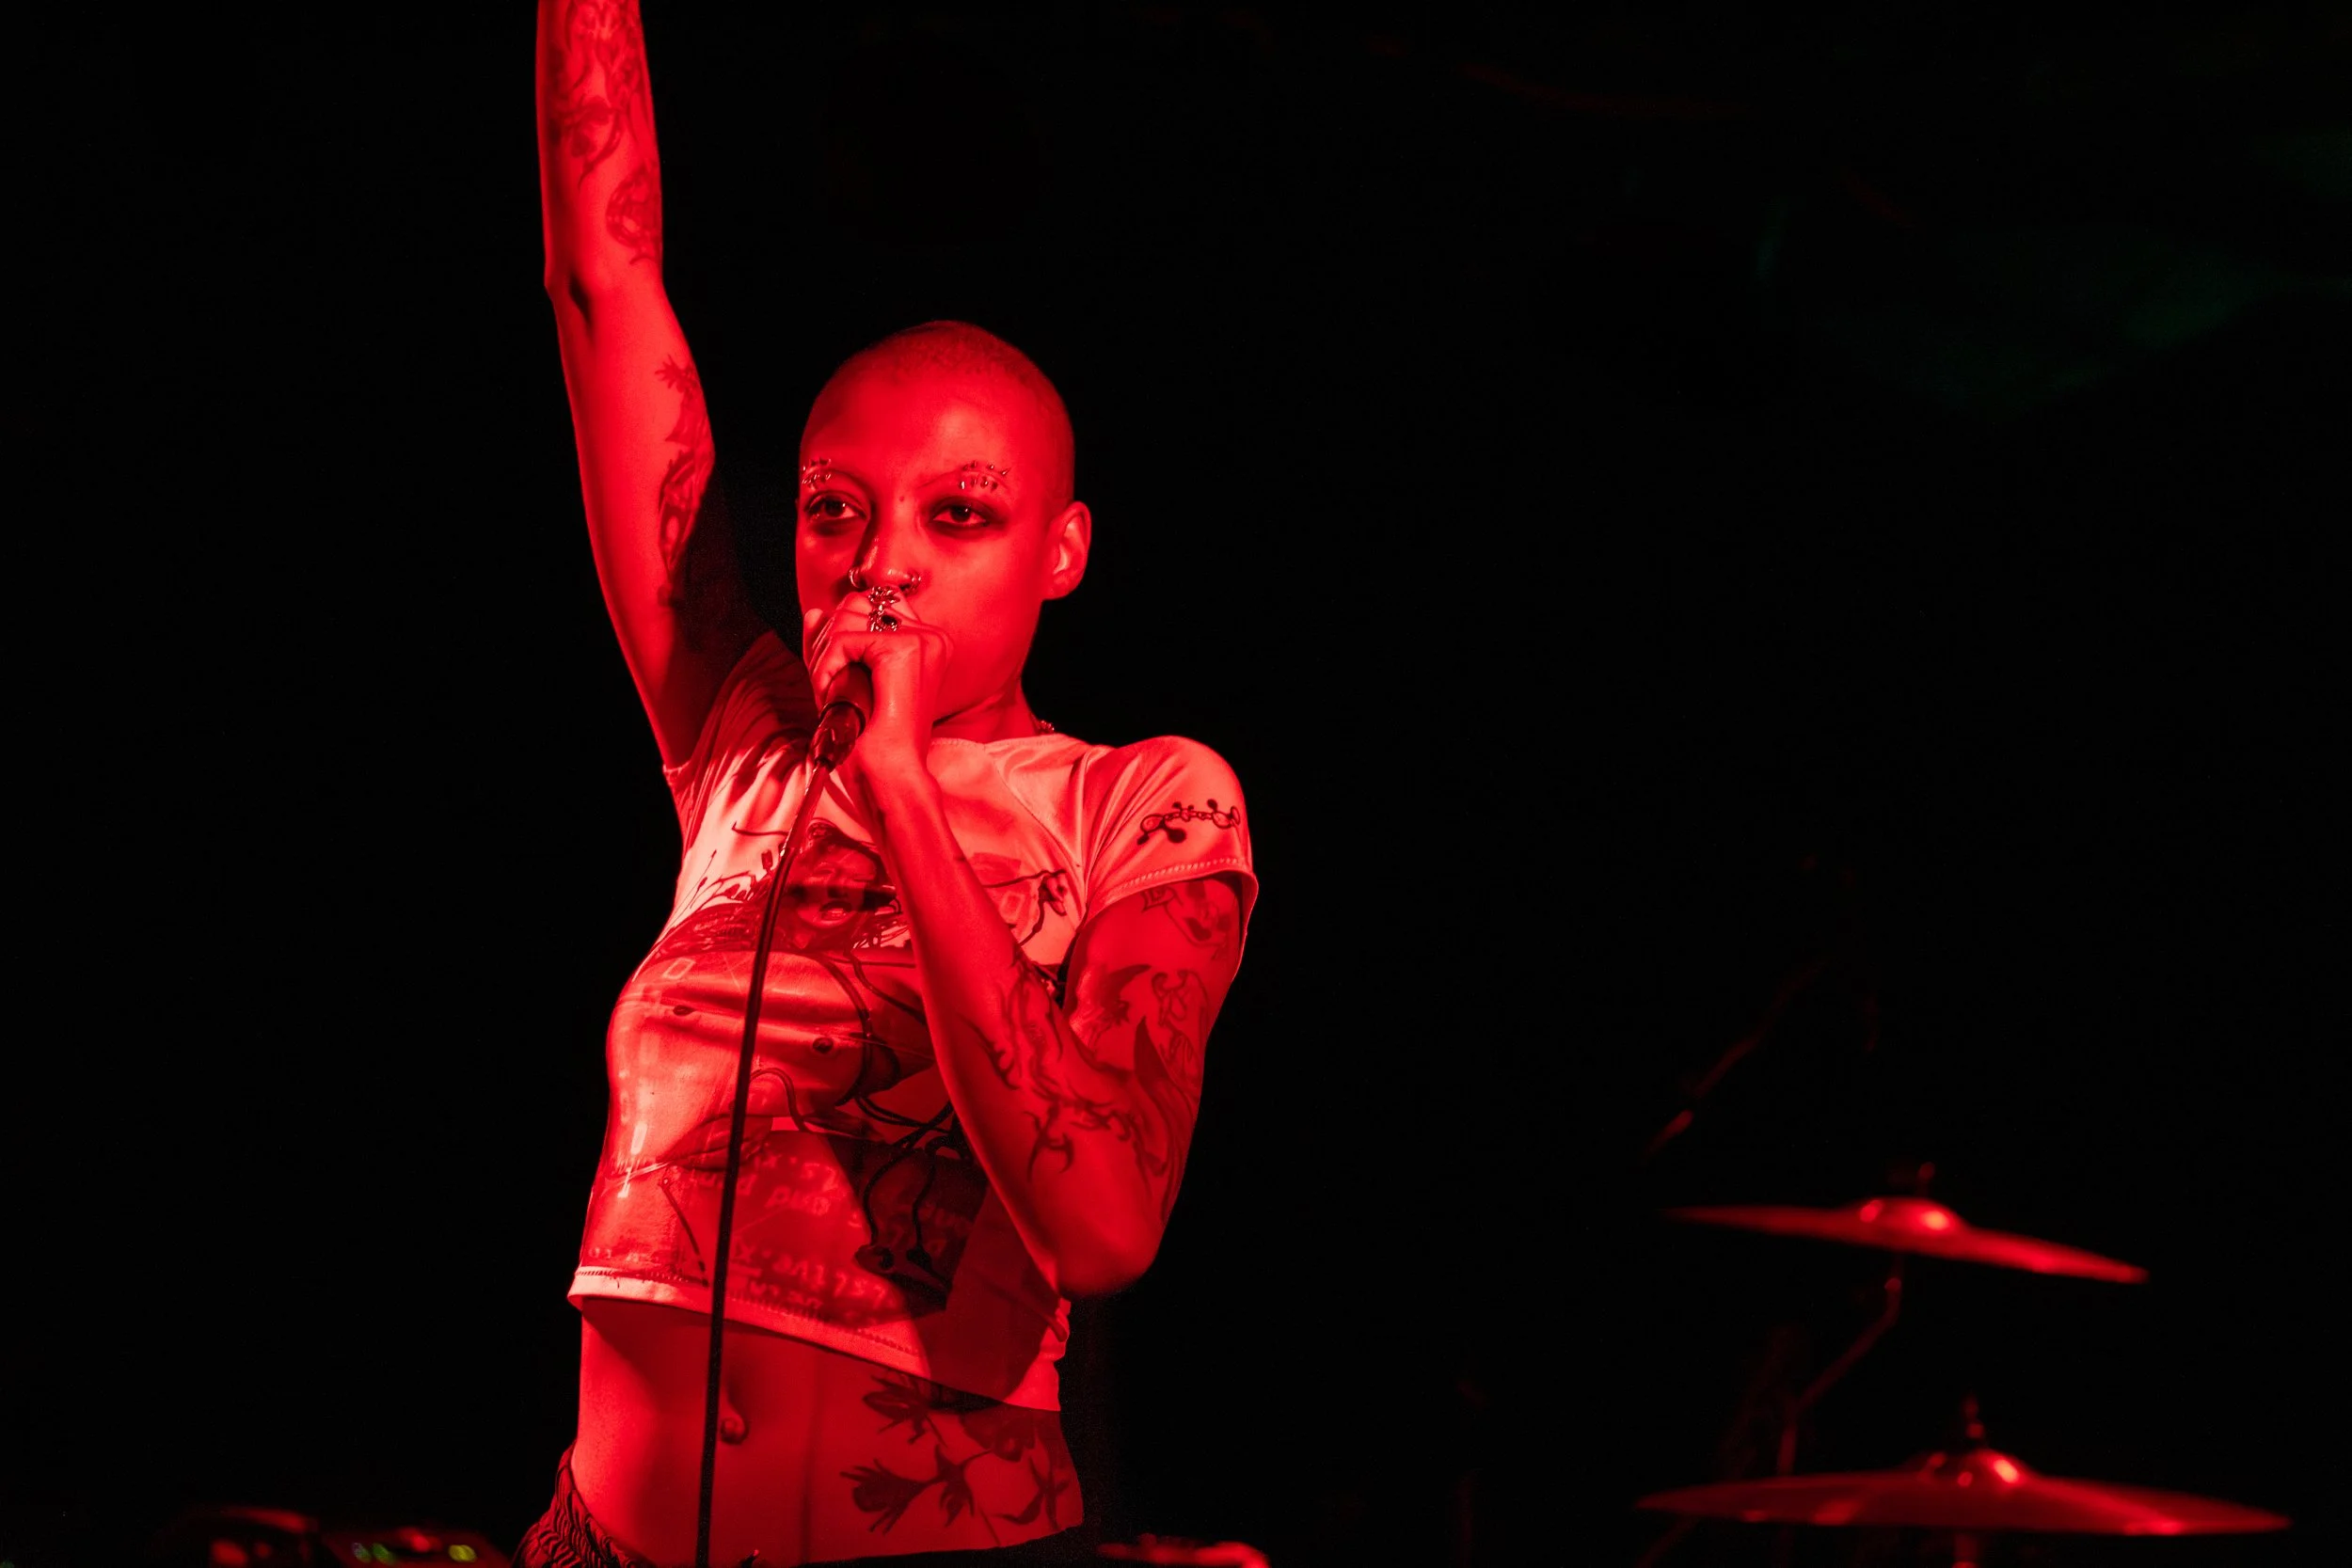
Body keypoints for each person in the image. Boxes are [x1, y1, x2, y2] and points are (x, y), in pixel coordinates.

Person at [521, 6, 1257, 1565]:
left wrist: (910, 787)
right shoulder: (742, 736)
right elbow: (607, 284)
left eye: (960, 516)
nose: (881, 565)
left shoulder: (1143, 798)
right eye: (835, 511)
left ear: (1061, 552)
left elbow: (1107, 1221)